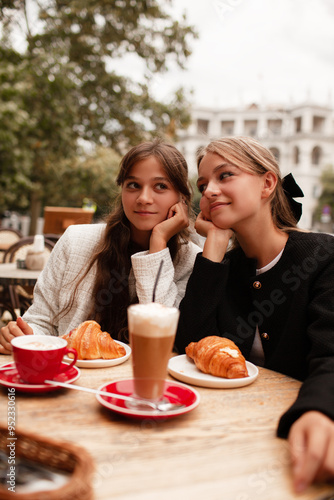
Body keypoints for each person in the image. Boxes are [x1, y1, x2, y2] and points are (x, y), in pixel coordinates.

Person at [175, 136, 334, 493]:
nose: (210, 191)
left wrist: (320, 411)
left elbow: (331, 355)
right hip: (229, 442)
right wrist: (214, 245)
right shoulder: (223, 268)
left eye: (225, 175)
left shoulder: (324, 258)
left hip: (303, 444)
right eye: (203, 185)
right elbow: (190, 347)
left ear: (267, 183)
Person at [0, 139, 201, 351]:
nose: (144, 198)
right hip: (73, 373)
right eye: (133, 185)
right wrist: (24, 335)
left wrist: (158, 244)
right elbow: (42, 320)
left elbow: (162, 336)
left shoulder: (191, 260)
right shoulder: (76, 241)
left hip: (142, 377)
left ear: (182, 198)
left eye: (160, 186)